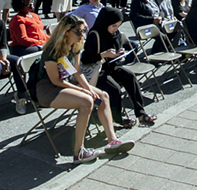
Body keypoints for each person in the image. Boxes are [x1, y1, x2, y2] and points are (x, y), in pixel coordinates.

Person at [35, 14, 135, 163]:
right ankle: (79, 152)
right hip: (48, 89)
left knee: (103, 96)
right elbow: (55, 80)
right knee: (86, 101)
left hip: (65, 83)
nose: (82, 35)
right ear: (66, 31)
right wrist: (83, 91)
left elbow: (77, 72)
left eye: (83, 31)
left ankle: (112, 140)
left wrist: (88, 88)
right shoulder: (52, 50)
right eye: (78, 31)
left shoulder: (75, 45)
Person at [80, 7, 156, 128]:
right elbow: (85, 59)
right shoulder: (95, 34)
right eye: (114, 26)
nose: (116, 29)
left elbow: (114, 52)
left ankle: (140, 113)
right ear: (106, 22)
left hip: (111, 66)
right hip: (97, 71)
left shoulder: (115, 34)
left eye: (118, 26)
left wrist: (119, 53)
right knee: (114, 89)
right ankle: (118, 118)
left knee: (130, 77)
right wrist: (103, 55)